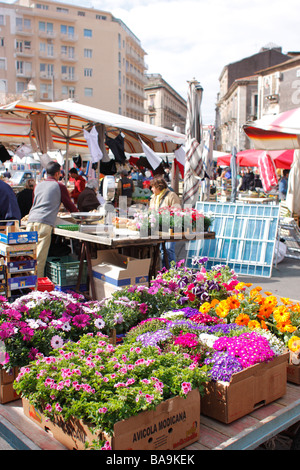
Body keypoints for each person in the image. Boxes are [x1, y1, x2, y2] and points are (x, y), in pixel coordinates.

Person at [27, 161, 78, 278]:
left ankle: (27, 282)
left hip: (31, 221)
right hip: (44, 223)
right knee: (39, 259)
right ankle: (36, 289)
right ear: (57, 173)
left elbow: (35, 203)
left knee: (30, 256)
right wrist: (80, 218)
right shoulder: (59, 186)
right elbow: (69, 205)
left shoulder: (38, 185)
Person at [149, 176, 181, 268]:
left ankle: (172, 271)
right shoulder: (154, 197)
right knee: (162, 249)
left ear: (158, 187)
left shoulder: (171, 195)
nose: (151, 189)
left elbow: (177, 211)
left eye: (153, 187)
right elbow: (151, 211)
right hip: (159, 228)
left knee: (169, 249)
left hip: (170, 227)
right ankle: (165, 270)